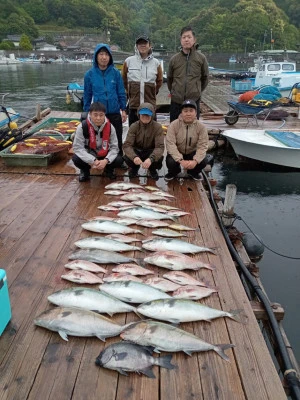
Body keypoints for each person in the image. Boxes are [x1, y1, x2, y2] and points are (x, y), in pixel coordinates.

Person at [83, 43, 127, 156]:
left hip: (114, 111)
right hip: (99, 113)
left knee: (117, 136)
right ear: (96, 57)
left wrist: (124, 109)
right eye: (101, 54)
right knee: (100, 138)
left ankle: (118, 158)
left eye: (106, 54)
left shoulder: (116, 73)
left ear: (110, 57)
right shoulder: (89, 75)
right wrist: (87, 111)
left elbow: (121, 92)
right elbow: (87, 95)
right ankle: (100, 157)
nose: (104, 57)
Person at [72, 102, 123, 181]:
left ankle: (109, 170)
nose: (98, 118)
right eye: (95, 115)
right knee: (76, 158)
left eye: (101, 115)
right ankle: (85, 171)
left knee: (119, 159)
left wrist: (106, 160)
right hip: (89, 154)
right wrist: (93, 160)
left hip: (105, 154)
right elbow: (78, 148)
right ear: (90, 114)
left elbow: (115, 148)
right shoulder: (82, 127)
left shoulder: (110, 127)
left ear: (104, 115)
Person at [167, 26, 209, 122]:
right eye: (184, 37)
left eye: (189, 37)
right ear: (181, 40)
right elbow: (169, 79)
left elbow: (205, 78)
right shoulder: (174, 59)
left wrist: (197, 91)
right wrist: (174, 92)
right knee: (174, 129)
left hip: (194, 101)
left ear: (194, 40)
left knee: (193, 130)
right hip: (176, 101)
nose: (186, 40)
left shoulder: (201, 58)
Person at [165, 99, 213, 181]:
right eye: (185, 111)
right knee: (170, 161)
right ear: (181, 112)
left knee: (204, 159)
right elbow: (170, 144)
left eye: (191, 111)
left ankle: (193, 172)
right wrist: (180, 160)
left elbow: (203, 145)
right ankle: (174, 172)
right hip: (178, 151)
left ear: (195, 112)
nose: (188, 114)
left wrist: (195, 161)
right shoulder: (173, 125)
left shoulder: (201, 127)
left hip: (192, 152)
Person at [122, 35, 163, 126]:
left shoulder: (156, 63)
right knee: (134, 132)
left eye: (145, 43)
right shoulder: (128, 61)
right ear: (136, 46)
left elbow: (159, 81)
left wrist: (152, 92)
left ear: (150, 45)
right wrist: (130, 91)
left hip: (150, 105)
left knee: (151, 133)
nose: (142, 45)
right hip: (134, 106)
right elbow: (124, 80)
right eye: (140, 43)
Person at [122, 103, 164, 180]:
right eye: (143, 114)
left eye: (147, 115)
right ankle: (135, 168)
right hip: (137, 151)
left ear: (152, 115)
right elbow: (127, 145)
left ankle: (152, 169)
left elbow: (160, 147)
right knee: (127, 157)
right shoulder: (134, 126)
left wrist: (151, 159)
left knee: (159, 158)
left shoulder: (158, 127)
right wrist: (134, 157)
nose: (145, 117)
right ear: (138, 114)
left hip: (150, 151)